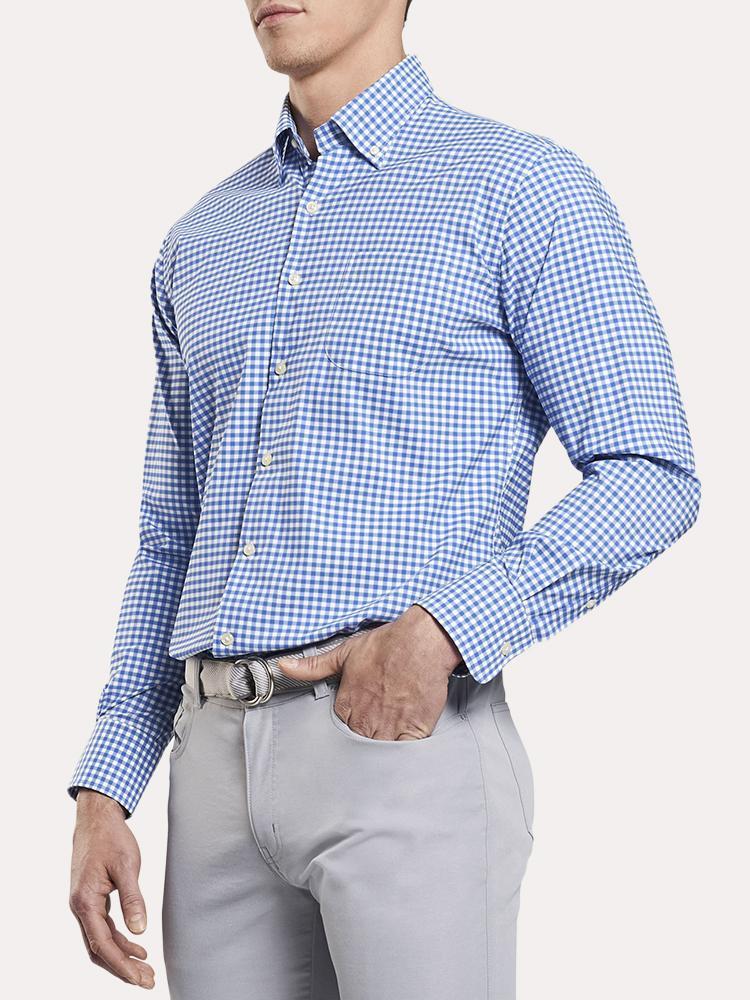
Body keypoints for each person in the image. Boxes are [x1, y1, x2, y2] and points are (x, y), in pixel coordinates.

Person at [67, 2, 701, 997]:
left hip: (403, 745)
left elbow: (649, 472)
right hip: (212, 765)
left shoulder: (520, 188)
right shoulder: (201, 239)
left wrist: (443, 630)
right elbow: (169, 537)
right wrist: (107, 784)